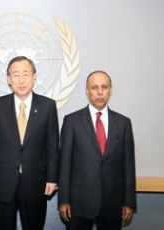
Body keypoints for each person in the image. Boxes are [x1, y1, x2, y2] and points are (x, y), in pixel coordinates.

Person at [0, 56, 59, 230]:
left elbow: (52, 146)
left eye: (26, 74)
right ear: (9, 79)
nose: (21, 80)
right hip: (3, 181)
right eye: (16, 75)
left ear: (34, 77)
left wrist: (52, 178)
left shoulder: (48, 106)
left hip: (36, 181)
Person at [58, 70, 137, 230]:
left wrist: (129, 202)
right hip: (79, 202)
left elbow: (128, 166)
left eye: (104, 87)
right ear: (87, 91)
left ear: (110, 90)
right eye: (94, 87)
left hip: (113, 202)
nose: (100, 92)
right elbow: (64, 164)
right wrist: (63, 200)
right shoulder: (71, 121)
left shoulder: (123, 123)